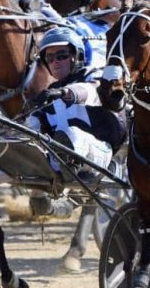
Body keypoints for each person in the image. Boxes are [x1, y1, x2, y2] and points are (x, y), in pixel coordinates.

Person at [26, 26, 126, 177]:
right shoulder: (50, 92)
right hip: (59, 157)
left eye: (61, 56)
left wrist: (67, 93)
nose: (55, 62)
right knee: (29, 127)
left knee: (73, 135)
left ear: (77, 56)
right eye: (50, 58)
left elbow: (91, 90)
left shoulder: (93, 76)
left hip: (98, 152)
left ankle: (65, 165)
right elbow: (36, 123)